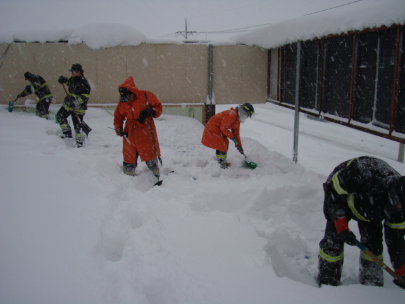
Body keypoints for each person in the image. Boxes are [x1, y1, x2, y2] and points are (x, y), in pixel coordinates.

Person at [317, 156, 405, 288]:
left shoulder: (400, 207)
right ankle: (328, 280)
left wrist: (401, 269)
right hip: (341, 198)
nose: (399, 209)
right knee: (333, 241)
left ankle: (372, 283)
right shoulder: (364, 173)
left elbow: (396, 239)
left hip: (370, 210)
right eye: (398, 206)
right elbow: (332, 189)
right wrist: (341, 225)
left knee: (373, 245)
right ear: (393, 196)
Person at [113, 76, 163, 179]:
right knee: (129, 156)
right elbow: (118, 117)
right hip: (129, 131)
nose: (126, 100)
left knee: (149, 155)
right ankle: (127, 178)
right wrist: (118, 128)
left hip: (146, 130)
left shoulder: (146, 96)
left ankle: (155, 176)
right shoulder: (122, 102)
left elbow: (158, 107)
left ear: (132, 92)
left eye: (128, 97)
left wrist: (152, 111)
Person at [201, 103, 254, 168]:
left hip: (218, 129)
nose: (246, 117)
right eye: (247, 115)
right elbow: (223, 127)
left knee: (223, 143)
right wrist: (231, 137)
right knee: (223, 144)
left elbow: (236, 134)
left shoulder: (237, 120)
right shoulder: (232, 114)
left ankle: (220, 161)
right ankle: (221, 162)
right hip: (213, 128)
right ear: (243, 112)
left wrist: (239, 145)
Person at [56, 63, 91, 148]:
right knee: (60, 116)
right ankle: (67, 133)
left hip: (78, 108)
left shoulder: (84, 83)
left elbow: (85, 97)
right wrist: (64, 80)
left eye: (74, 72)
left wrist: (75, 102)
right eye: (71, 72)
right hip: (68, 105)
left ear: (79, 72)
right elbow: (70, 84)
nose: (72, 73)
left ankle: (80, 143)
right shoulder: (72, 79)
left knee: (77, 126)